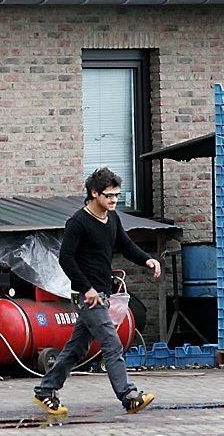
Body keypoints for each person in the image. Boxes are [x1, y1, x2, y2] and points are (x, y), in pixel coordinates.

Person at [33, 167, 161, 416]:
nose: (114, 200)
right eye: (109, 195)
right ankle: (129, 396)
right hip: (87, 297)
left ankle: (45, 391)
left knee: (75, 350)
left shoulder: (112, 218)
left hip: (102, 293)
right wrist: (87, 288)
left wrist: (147, 260)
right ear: (94, 193)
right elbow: (66, 259)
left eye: (117, 195)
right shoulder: (78, 223)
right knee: (112, 345)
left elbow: (125, 244)